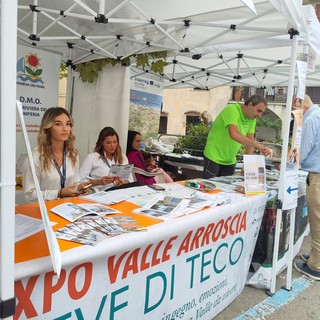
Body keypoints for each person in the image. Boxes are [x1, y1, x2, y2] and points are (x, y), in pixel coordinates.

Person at [22, 107, 90, 203]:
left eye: (68, 124)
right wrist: (59, 193)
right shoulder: (35, 157)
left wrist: (79, 188)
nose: (65, 128)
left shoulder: (73, 154)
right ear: (48, 127)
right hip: (44, 213)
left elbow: (75, 181)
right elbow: (29, 195)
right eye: (58, 124)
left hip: (69, 209)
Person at [203, 94, 272, 178]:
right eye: (259, 110)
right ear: (250, 104)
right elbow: (234, 134)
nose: (259, 115)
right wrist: (259, 146)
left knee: (226, 189)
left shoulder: (252, 120)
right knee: (208, 189)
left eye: (261, 112)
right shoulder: (232, 109)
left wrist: (247, 164)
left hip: (230, 160)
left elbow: (250, 142)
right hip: (213, 157)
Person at [293, 95, 320, 280]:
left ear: (298, 103)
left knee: (317, 221)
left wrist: (292, 160)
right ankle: (314, 256)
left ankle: (315, 266)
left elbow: (303, 153)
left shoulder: (311, 119)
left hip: (317, 176)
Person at [79, 127, 134, 191]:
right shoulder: (92, 157)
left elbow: (130, 179)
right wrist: (98, 182)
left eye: (115, 142)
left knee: (140, 185)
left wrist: (124, 182)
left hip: (122, 190)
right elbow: (79, 181)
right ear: (101, 143)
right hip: (104, 192)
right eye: (108, 143)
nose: (112, 145)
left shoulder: (123, 156)